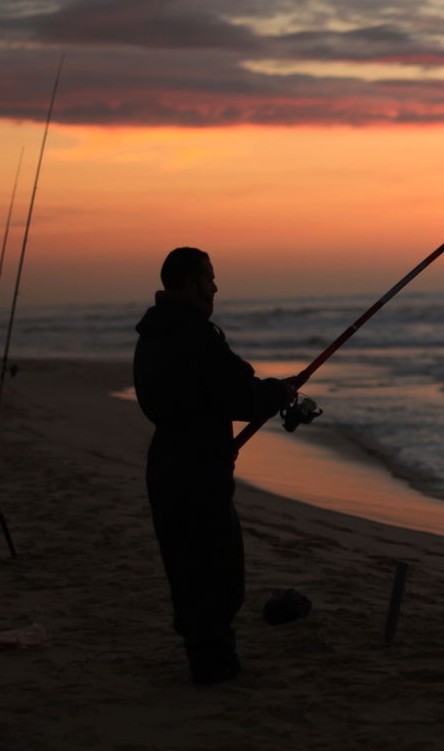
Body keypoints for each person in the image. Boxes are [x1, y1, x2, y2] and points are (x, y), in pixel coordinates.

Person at [133, 247, 298, 685]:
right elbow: (237, 394)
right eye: (208, 277)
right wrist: (279, 393)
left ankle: (204, 657)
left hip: (166, 459)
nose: (215, 285)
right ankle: (213, 665)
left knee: (185, 564)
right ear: (188, 283)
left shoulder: (151, 333)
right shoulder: (195, 335)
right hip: (198, 465)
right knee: (216, 569)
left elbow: (198, 392)